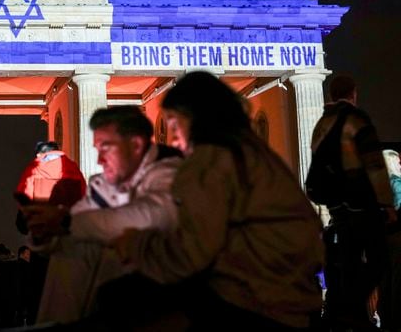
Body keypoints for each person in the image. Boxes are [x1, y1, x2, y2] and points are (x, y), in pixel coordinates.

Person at [102, 72, 324, 330]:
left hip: (250, 301)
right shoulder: (255, 153)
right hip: (292, 299)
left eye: (173, 124)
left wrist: (135, 244)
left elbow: (191, 252)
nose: (172, 138)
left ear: (196, 117)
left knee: (117, 296)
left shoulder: (210, 161)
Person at [22, 105, 183, 323]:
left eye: (105, 149)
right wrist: (44, 231)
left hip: (167, 271)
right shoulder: (105, 185)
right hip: (125, 272)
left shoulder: (172, 172)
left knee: (88, 246)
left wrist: (66, 222)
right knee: (72, 247)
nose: (98, 160)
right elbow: (73, 225)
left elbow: (150, 216)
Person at [306, 74, 397, 330]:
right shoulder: (357, 121)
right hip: (361, 204)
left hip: (337, 209)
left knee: (346, 262)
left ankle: (343, 313)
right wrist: (387, 205)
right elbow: (375, 165)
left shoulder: (322, 125)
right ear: (354, 94)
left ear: (331, 96)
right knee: (379, 260)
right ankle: (351, 309)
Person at [15, 141, 86, 209]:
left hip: (42, 215)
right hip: (68, 216)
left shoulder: (34, 169)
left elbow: (24, 195)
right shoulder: (73, 167)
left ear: (38, 155)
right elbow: (83, 192)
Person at [379, 149, 401, 331]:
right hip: (396, 235)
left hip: (379, 237)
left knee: (384, 280)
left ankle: (386, 320)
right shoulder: (396, 182)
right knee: (396, 279)